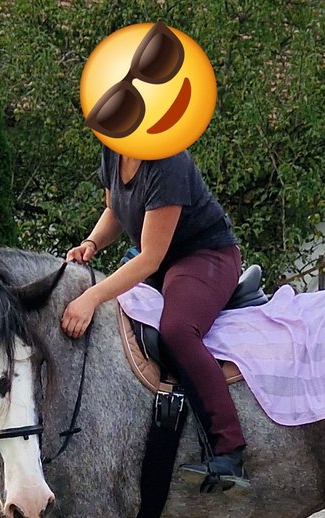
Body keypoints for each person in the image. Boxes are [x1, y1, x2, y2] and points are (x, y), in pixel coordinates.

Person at [63, 146, 249, 490]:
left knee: (177, 331)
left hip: (205, 256)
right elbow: (114, 211)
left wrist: (91, 297)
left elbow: (149, 258)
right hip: (160, 261)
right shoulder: (111, 151)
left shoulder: (169, 160)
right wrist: (92, 242)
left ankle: (230, 451)